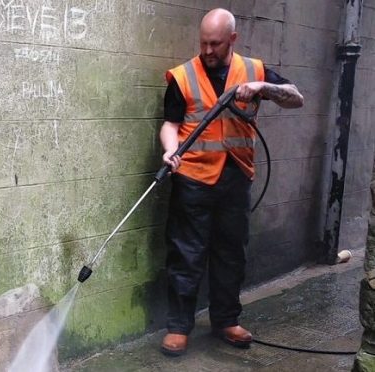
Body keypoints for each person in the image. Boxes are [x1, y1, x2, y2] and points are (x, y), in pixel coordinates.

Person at [159, 8, 303, 356]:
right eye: (203, 43)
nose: (208, 51)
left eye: (216, 44)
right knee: (186, 253)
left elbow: (297, 98)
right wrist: (170, 150)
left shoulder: (253, 71)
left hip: (236, 176)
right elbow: (170, 123)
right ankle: (179, 327)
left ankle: (226, 320)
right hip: (192, 176)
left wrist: (262, 87)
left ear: (232, 40)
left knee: (231, 252)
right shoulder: (183, 76)